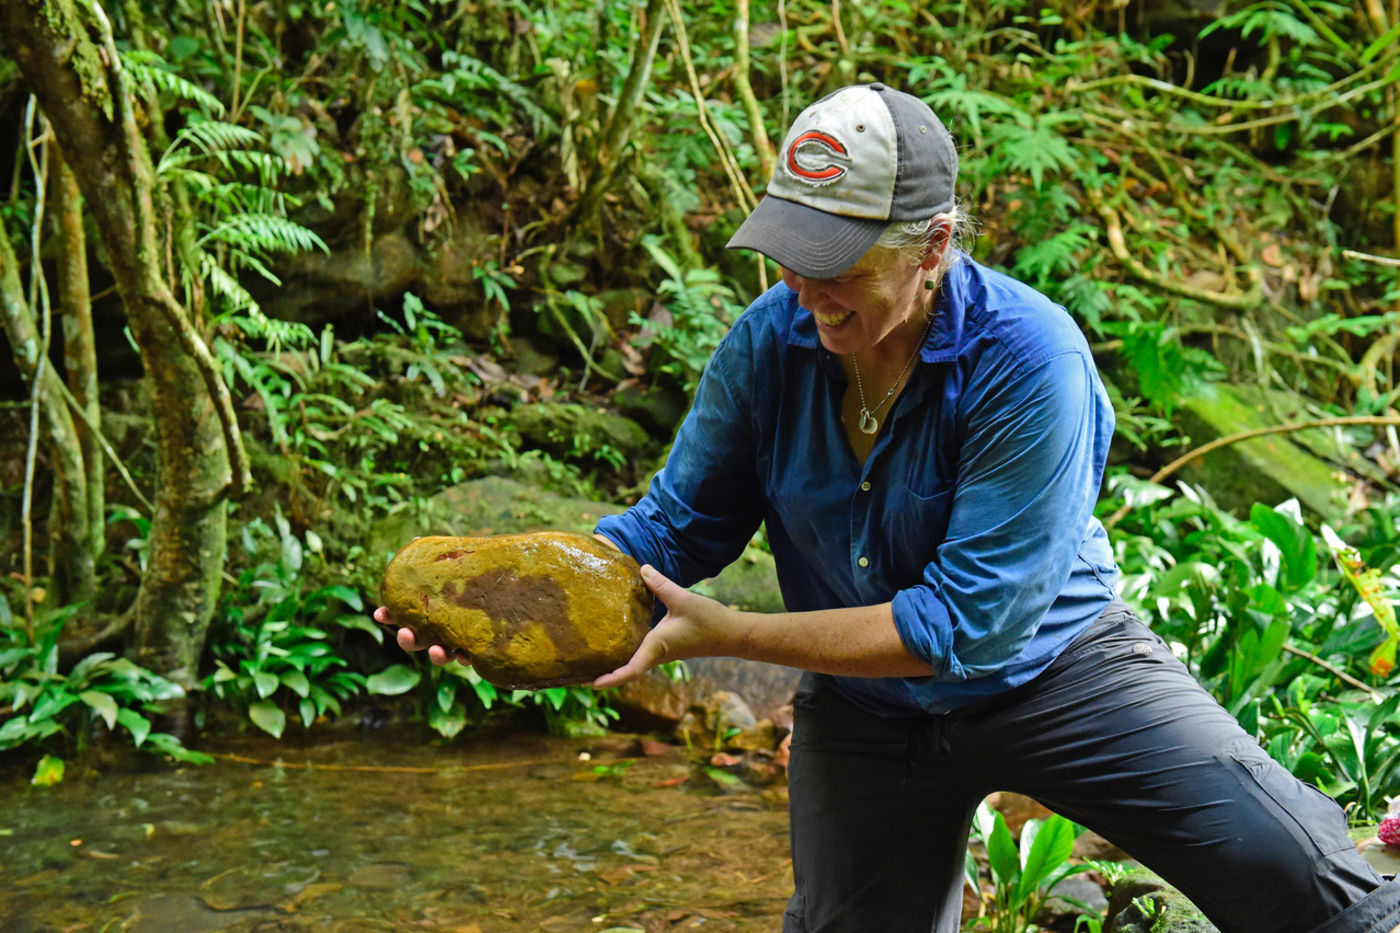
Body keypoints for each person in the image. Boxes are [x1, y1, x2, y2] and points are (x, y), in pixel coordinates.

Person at [377, 82, 1400, 932]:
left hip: (1057, 672)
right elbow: (670, 534)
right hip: (866, 718)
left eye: (842, 265)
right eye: (791, 254)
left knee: (1306, 880)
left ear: (933, 244)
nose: (808, 289)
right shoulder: (767, 344)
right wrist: (523, 606)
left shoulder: (1026, 360)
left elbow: (966, 624)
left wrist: (736, 635)